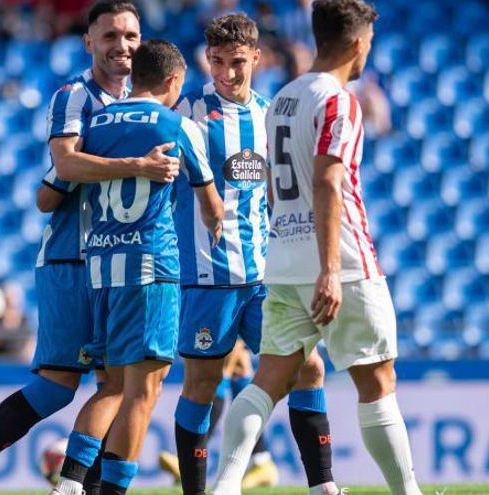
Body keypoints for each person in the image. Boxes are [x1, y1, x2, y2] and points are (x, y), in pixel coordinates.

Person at [0, 2, 179, 494]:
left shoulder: (145, 106)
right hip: (71, 260)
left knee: (119, 384)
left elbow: (55, 184)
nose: (122, 46)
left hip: (122, 262)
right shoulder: (74, 97)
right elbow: (60, 174)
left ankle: (75, 486)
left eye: (130, 35)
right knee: (57, 386)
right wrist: (133, 164)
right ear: (88, 41)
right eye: (109, 36)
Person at [212, 2, 424, 495]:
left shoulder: (282, 97)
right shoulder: (339, 100)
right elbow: (330, 180)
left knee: (268, 381)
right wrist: (330, 268)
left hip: (284, 259)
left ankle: (223, 487)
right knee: (377, 382)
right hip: (342, 261)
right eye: (368, 40)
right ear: (357, 43)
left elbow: (269, 184)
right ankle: (406, 492)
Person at [162, 13, 339, 495]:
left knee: (309, 368)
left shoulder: (270, 115)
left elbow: (281, 195)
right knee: (202, 384)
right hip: (207, 278)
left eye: (237, 62)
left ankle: (323, 485)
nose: (226, 73)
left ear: (257, 58)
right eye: (217, 62)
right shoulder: (186, 112)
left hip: (265, 277)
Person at [50, 39, 223, 495]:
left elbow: (62, 174)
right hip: (150, 269)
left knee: (109, 387)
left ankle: (68, 485)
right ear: (172, 81)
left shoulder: (96, 122)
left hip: (102, 268)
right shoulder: (177, 124)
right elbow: (211, 205)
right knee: (142, 393)